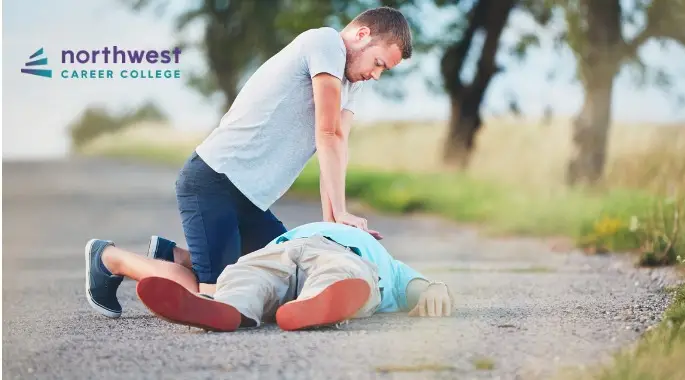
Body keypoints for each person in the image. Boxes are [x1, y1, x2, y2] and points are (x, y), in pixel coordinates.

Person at [151, 6, 413, 302]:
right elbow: (325, 133)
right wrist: (340, 212)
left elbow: (337, 144)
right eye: (378, 63)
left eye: (383, 70)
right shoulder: (326, 43)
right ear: (362, 34)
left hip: (251, 202)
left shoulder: (352, 82)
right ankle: (110, 259)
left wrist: (333, 229)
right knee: (222, 296)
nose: (376, 75)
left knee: (286, 278)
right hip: (213, 180)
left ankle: (170, 255)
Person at [84, 222, 454, 331]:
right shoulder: (377, 256)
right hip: (285, 246)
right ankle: (228, 309)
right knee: (247, 275)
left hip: (340, 257)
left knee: (338, 274)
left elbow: (419, 287)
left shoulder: (388, 264)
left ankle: (313, 305)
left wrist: (435, 288)